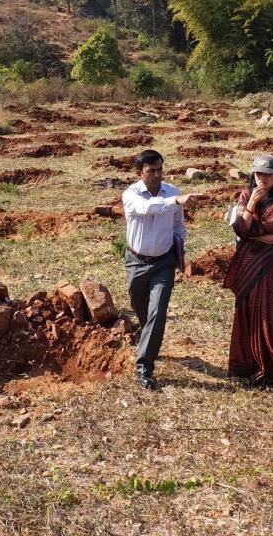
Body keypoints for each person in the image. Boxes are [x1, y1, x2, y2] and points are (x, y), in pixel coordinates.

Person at [223, 155, 273, 388]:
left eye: (267, 174)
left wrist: (258, 237)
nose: (262, 179)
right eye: (258, 174)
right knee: (247, 313)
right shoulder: (246, 196)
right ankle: (247, 369)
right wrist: (250, 206)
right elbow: (240, 229)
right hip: (249, 266)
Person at [122, 149, 195, 390]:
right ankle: (148, 339)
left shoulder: (174, 192)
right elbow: (146, 208)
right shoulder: (131, 195)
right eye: (150, 171)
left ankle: (145, 366)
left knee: (157, 311)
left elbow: (178, 225)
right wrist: (174, 201)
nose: (156, 175)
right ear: (139, 173)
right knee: (142, 310)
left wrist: (178, 249)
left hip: (163, 262)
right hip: (136, 261)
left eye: (160, 169)